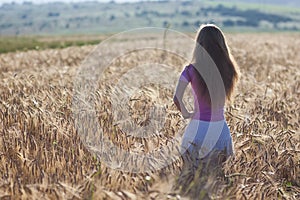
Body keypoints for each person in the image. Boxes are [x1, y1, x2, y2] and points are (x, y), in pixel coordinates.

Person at [173, 24, 240, 168]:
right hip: (221, 130)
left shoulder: (190, 70)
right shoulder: (230, 69)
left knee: (191, 175)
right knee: (219, 177)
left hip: (198, 129)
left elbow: (176, 98)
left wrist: (186, 113)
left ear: (199, 44)